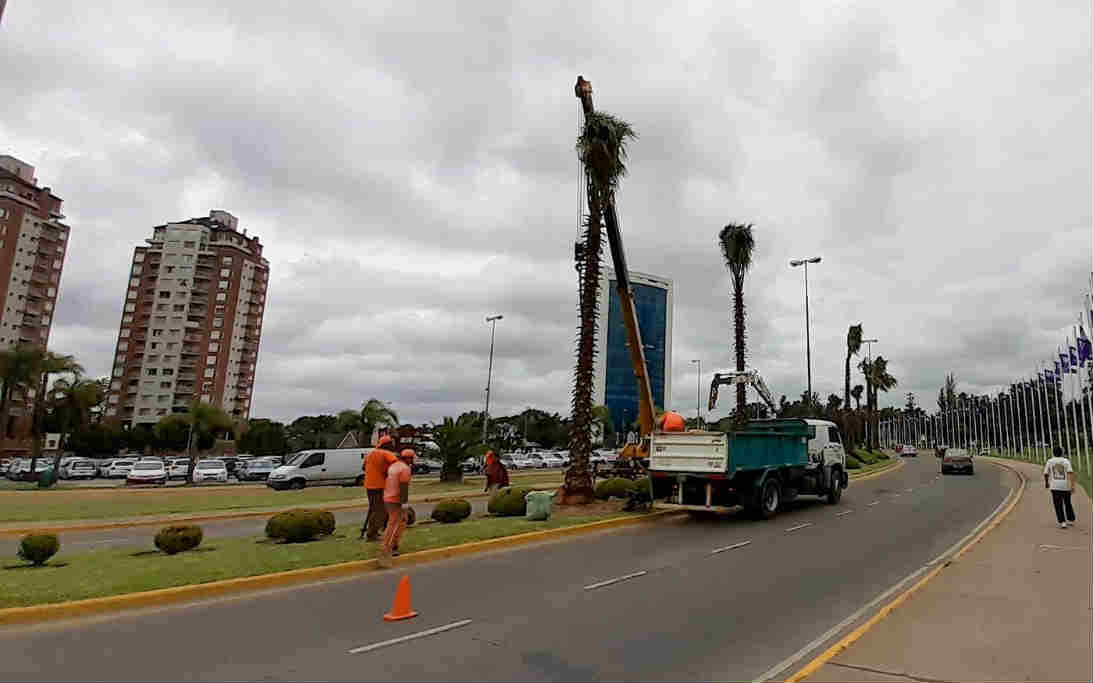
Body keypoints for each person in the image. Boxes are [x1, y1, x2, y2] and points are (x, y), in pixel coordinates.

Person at [379, 448, 414, 568]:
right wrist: (404, 503)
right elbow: (403, 486)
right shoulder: (405, 469)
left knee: (402, 520)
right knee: (394, 523)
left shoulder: (393, 466)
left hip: (387, 497)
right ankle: (387, 547)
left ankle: (393, 545)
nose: (412, 461)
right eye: (412, 458)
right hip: (396, 499)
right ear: (408, 458)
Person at [361, 435, 398, 541]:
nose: (393, 445)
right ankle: (372, 534)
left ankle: (377, 530)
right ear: (387, 445)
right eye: (391, 443)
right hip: (380, 486)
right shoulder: (386, 453)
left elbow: (363, 467)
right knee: (380, 510)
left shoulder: (371, 453)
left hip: (370, 486)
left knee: (375, 509)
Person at [1043, 446, 1077, 528]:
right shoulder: (1066, 461)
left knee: (1058, 504)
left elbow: (1046, 473)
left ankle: (1062, 522)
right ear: (1062, 452)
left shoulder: (1050, 461)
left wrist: (1047, 483)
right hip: (1065, 486)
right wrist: (1072, 486)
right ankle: (1071, 519)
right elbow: (1070, 473)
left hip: (1054, 486)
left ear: (1053, 453)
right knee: (1067, 502)